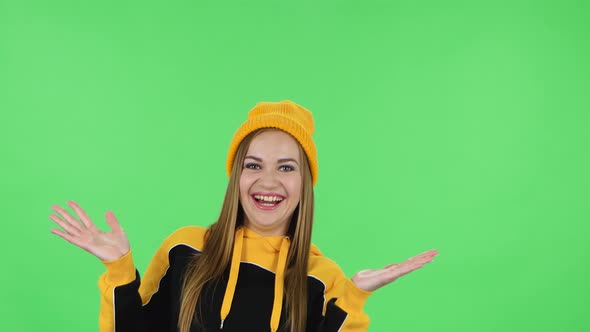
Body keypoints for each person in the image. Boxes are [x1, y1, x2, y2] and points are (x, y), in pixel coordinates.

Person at [49, 100, 438, 332]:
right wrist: (118, 269)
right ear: (237, 176)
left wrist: (353, 298)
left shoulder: (322, 279)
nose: (267, 181)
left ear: (305, 183)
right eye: (254, 165)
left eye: (286, 167)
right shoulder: (184, 248)